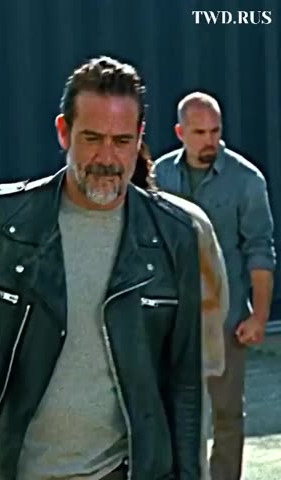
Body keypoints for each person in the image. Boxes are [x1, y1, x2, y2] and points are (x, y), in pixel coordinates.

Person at [0, 56, 208, 480]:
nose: (107, 157)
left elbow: (185, 382)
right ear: (63, 132)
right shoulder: (4, 218)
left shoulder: (174, 236)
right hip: (16, 469)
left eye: (122, 141)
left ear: (139, 138)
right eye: (92, 138)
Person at [152, 92, 277, 480]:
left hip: (224, 315)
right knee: (170, 407)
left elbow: (259, 250)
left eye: (215, 131)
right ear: (180, 132)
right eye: (199, 132)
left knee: (226, 413)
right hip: (171, 315)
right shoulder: (159, 176)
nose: (210, 141)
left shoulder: (246, 180)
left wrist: (259, 315)